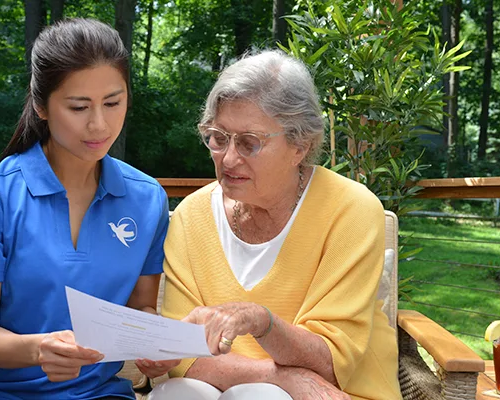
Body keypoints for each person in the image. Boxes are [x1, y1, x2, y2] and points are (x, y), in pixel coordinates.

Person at [141, 50, 401, 400]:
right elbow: (183, 361)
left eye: (249, 143)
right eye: (218, 138)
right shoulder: (192, 215)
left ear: (300, 146)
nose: (229, 159)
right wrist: (280, 378)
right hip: (229, 390)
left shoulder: (351, 210)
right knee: (177, 393)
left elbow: (332, 364)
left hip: (335, 393)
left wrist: (261, 321)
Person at [0, 18, 170, 400]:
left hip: (100, 393)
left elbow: (141, 306)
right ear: (40, 106)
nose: (100, 124)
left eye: (113, 102)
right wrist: (38, 350)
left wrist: (151, 343)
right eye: (79, 107)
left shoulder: (148, 199)